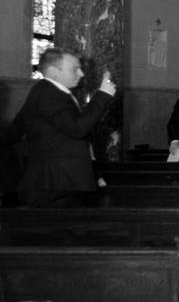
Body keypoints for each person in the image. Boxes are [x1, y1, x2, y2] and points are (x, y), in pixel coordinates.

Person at [9, 48, 116, 206]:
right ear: (53, 72)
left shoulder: (53, 93)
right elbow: (77, 129)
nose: (81, 74)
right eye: (75, 69)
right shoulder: (47, 94)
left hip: (61, 181)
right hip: (56, 182)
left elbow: (15, 132)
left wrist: (93, 172)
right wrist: (103, 95)